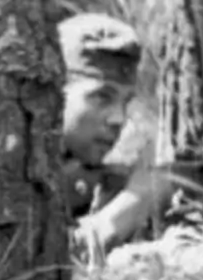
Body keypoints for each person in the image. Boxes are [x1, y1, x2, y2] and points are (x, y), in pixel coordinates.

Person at [56, 13, 183, 259]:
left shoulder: (93, 175)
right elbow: (37, 261)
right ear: (56, 92)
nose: (118, 118)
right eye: (102, 97)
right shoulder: (4, 167)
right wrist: (134, 203)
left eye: (125, 102)